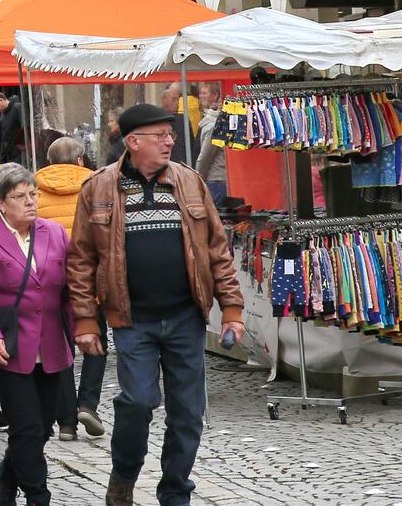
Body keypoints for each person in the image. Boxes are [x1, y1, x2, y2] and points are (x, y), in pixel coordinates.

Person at [68, 103, 242, 506]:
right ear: (133, 142)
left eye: (170, 135)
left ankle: (175, 491)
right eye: (160, 135)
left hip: (186, 316)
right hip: (132, 319)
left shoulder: (190, 182)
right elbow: (80, 260)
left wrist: (231, 310)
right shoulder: (98, 187)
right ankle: (124, 473)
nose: (170, 141)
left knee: (187, 413)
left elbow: (217, 249)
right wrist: (84, 321)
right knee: (139, 401)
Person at [0, 163, 74, 506]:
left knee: (44, 426)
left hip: (51, 345)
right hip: (7, 347)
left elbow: (70, 287)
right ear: (1, 203)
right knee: (25, 426)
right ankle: (39, 497)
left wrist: (83, 327)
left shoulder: (54, 232)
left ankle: (7, 473)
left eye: (32, 194)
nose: (30, 201)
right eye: (20, 196)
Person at [34, 136, 104, 439]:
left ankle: (65, 422)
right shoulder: (97, 188)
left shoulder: (33, 189)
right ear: (80, 161)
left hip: (52, 282)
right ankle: (87, 403)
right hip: (90, 279)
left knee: (60, 348)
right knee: (96, 342)